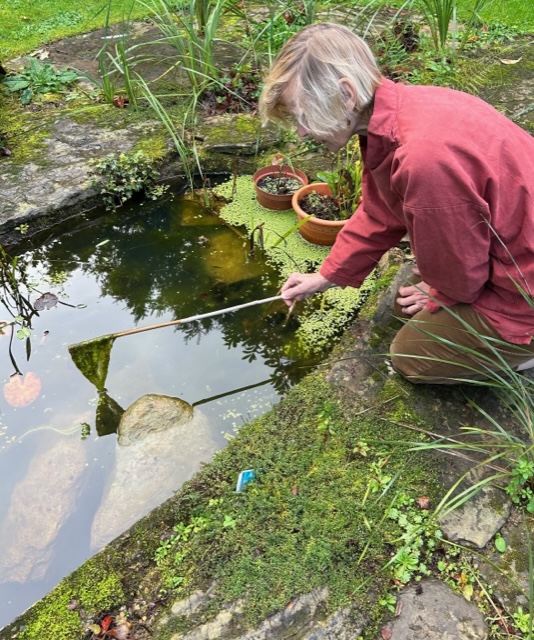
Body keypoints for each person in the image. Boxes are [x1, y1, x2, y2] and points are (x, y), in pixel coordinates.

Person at [259, 22, 534, 384]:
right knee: (409, 298)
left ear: (346, 93)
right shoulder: (406, 109)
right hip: (511, 251)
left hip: (523, 290)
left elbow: (462, 277)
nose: (301, 132)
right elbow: (380, 213)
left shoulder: (424, 160)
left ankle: (523, 352)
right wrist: (326, 277)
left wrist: (444, 294)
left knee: (411, 358)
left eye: (302, 116)